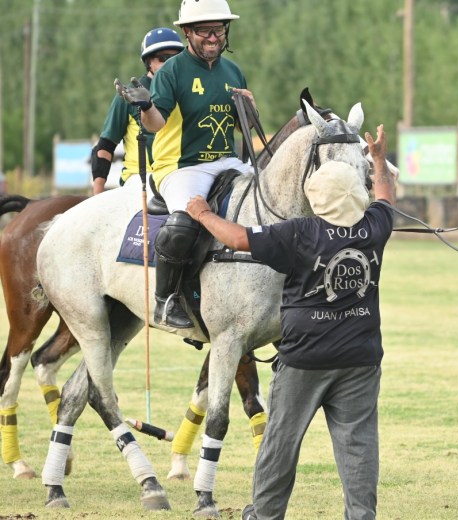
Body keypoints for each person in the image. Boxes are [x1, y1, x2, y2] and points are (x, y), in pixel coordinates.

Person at [186, 125, 393, 520]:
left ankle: (264, 515)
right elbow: (385, 194)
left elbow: (240, 239)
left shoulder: (301, 233)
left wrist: (203, 213)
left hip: (304, 361)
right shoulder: (375, 227)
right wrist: (378, 159)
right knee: (360, 446)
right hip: (361, 360)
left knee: (280, 443)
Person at [116, 0, 255, 328]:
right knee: (184, 222)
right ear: (188, 32)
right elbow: (156, 124)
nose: (213, 37)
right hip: (180, 166)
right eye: (205, 30)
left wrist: (251, 109)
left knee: (268, 196)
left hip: (227, 161)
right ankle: (166, 299)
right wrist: (145, 105)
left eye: (218, 29)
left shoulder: (233, 71)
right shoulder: (172, 71)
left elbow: (242, 126)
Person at [91, 27, 185, 195]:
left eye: (176, 58)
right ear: (149, 62)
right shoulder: (128, 96)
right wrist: (96, 198)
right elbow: (105, 147)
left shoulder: (187, 92)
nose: (171, 63)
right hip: (141, 180)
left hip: (181, 174)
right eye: (163, 58)